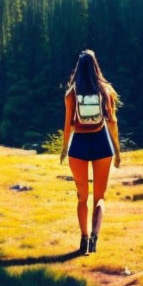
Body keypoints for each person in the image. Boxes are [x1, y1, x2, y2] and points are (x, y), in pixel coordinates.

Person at [59, 49, 121, 255]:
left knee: (81, 198)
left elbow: (68, 125)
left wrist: (64, 149)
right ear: (96, 66)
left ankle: (84, 239)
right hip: (102, 143)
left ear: (78, 68)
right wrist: (118, 152)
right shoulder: (106, 91)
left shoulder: (71, 93)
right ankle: (95, 236)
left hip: (79, 146)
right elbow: (112, 123)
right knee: (100, 197)